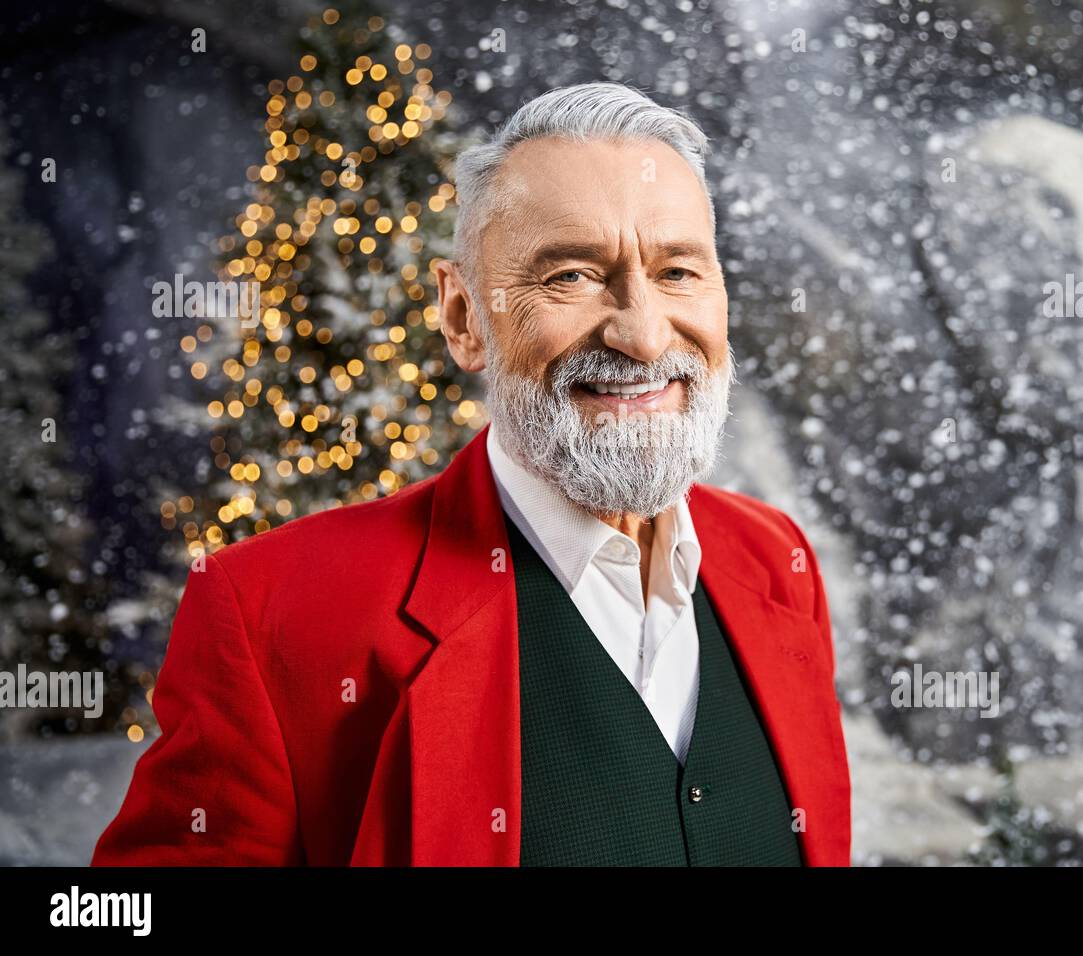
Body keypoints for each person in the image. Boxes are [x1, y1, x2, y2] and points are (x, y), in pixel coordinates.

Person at [93, 82, 851, 866]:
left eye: (678, 272)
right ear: (463, 319)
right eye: (571, 276)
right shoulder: (269, 614)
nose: (642, 333)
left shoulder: (778, 562)